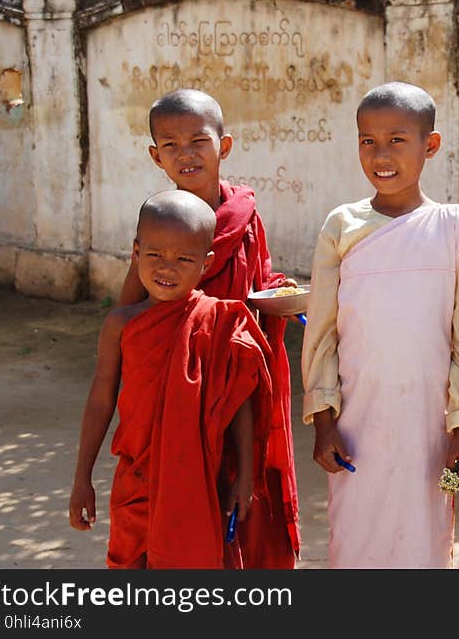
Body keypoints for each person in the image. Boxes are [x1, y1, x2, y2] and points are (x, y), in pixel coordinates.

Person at [301, 81, 459, 568]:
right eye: (368, 140)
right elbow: (321, 333)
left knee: (426, 538)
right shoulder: (341, 226)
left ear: (430, 145)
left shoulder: (455, 226)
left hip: (431, 426)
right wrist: (324, 420)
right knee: (354, 540)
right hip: (356, 423)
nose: (380, 154)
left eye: (397, 140)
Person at [116, 89, 300, 569]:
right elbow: (130, 317)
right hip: (179, 398)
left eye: (198, 141)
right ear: (156, 156)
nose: (186, 154)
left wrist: (279, 292)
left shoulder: (244, 214)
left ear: (225, 145)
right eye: (171, 145)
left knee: (240, 496)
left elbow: (259, 277)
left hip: (236, 386)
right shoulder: (160, 223)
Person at [68, 190, 274, 568]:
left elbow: (240, 401)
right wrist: (83, 476)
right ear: (135, 252)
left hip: (197, 481)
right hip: (136, 479)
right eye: (155, 255)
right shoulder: (121, 324)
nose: (167, 268)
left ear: (207, 263)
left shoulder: (218, 321)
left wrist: (244, 475)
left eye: (184, 259)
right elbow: (101, 398)